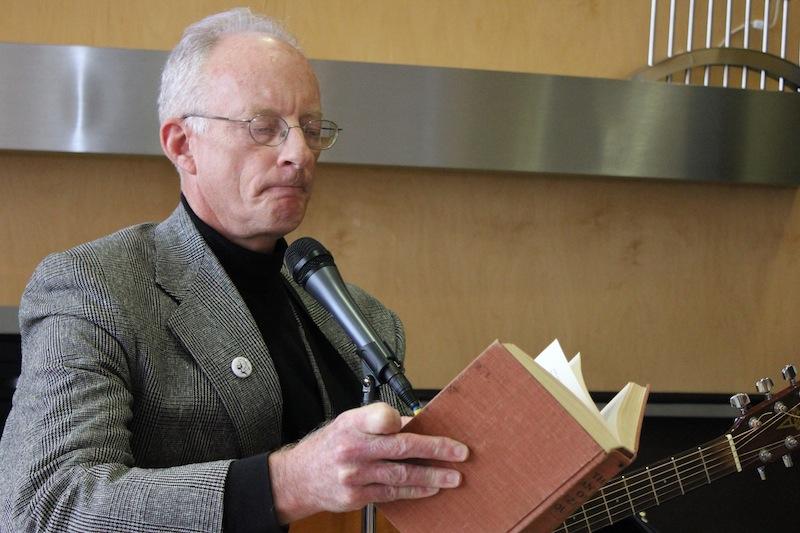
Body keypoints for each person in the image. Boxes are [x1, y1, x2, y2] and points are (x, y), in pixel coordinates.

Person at [0, 8, 468, 532]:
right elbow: (44, 506)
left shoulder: (370, 323)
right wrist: (289, 482)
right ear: (183, 145)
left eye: (311, 129)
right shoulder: (94, 286)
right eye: (264, 127)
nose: (299, 154)